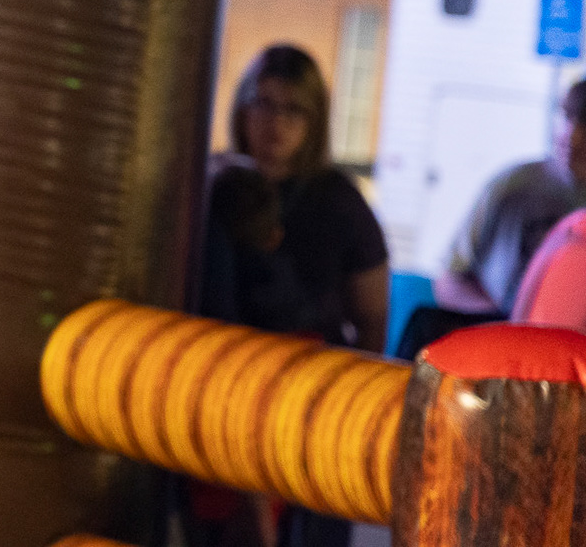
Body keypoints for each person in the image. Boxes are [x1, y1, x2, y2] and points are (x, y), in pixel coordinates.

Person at [189, 44, 389, 547]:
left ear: (314, 118)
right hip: (215, 390)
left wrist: (350, 410)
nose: (275, 123)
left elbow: (372, 315)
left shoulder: (339, 201)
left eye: (292, 109)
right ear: (242, 108)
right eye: (264, 104)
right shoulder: (212, 184)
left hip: (310, 397)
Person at [434, 78, 586, 318]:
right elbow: (450, 282)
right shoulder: (514, 187)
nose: (572, 137)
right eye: (568, 117)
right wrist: (504, 323)